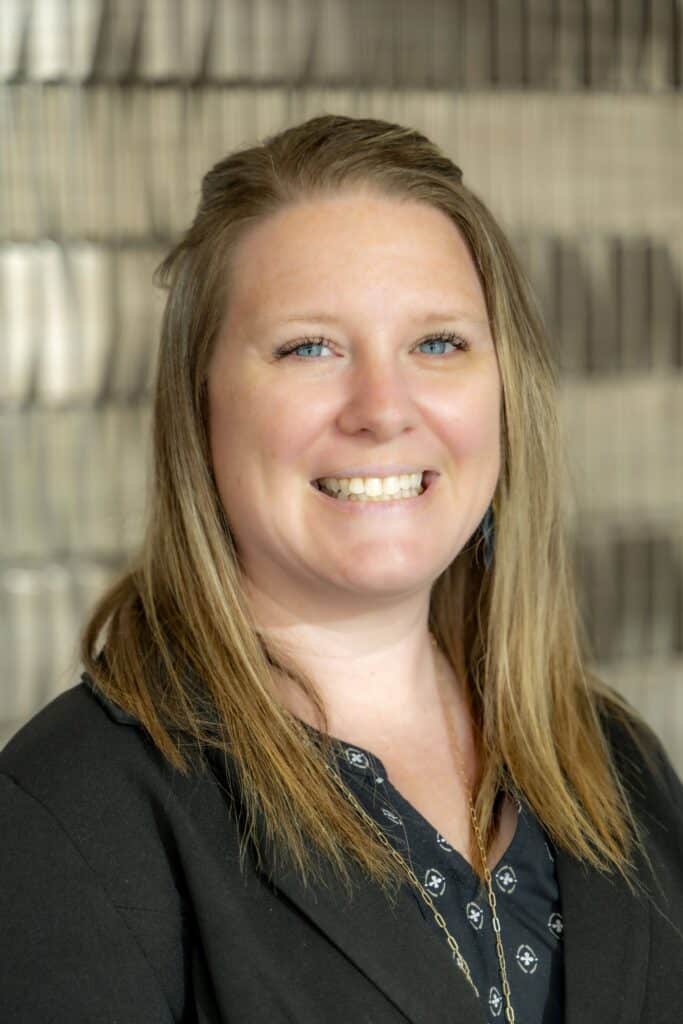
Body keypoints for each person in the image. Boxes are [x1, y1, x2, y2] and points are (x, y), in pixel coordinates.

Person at [1, 113, 681, 1024]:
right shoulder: (68, 814)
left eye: (437, 343)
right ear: (200, 406)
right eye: (309, 347)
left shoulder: (616, 763)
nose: (382, 409)